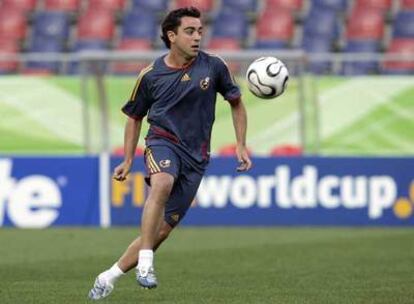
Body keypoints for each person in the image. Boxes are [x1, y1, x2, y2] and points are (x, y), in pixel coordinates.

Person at [88, 6, 252, 300]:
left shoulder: (214, 67)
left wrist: (241, 144)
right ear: (171, 35)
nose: (197, 37)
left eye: (200, 31)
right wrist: (127, 159)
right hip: (162, 142)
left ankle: (108, 276)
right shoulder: (150, 75)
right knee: (162, 181)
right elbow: (134, 116)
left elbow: (237, 103)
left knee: (161, 231)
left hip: (196, 157)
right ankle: (146, 265)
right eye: (190, 31)